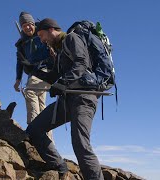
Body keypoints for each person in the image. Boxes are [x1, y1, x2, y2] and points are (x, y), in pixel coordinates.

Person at [26, 18, 104, 180]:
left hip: (84, 97)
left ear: (51, 29)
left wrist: (62, 83)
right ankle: (60, 166)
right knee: (34, 130)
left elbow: (81, 64)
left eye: (41, 35)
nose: (41, 39)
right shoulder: (59, 51)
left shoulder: (71, 38)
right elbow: (54, 76)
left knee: (81, 145)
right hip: (67, 99)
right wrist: (33, 71)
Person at [14, 12, 54, 141]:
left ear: (33, 24)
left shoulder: (41, 34)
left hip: (45, 70)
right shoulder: (22, 43)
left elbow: (51, 50)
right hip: (34, 73)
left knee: (30, 91)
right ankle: (48, 141)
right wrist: (18, 79)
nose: (27, 28)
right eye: (24, 25)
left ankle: (33, 128)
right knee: (42, 106)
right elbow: (19, 62)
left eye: (29, 24)